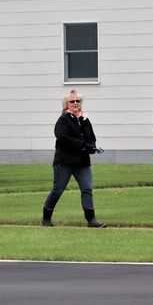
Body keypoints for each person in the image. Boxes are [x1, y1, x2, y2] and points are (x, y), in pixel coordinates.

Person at [40, 90, 106, 228]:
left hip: (82, 162)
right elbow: (63, 138)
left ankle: (91, 220)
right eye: (72, 101)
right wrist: (83, 145)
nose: (75, 103)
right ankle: (46, 219)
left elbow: (91, 138)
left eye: (78, 101)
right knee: (58, 190)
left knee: (87, 189)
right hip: (64, 162)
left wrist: (91, 147)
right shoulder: (63, 120)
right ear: (66, 104)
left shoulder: (85, 120)